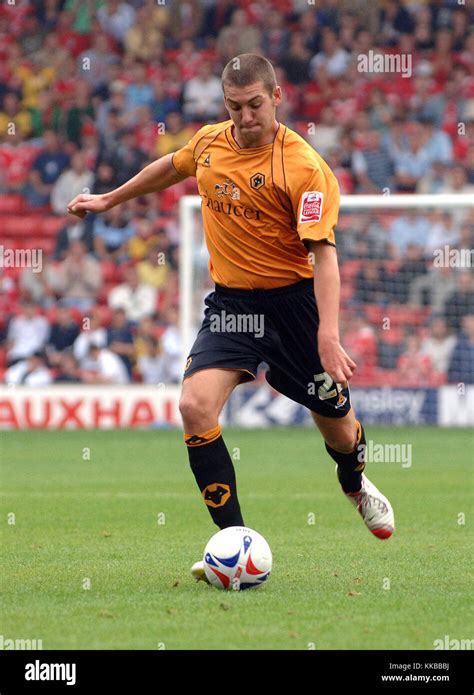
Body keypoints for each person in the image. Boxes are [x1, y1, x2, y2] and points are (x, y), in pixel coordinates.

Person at [67, 54, 395, 584]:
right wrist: (110, 198)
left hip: (294, 308)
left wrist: (328, 334)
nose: (245, 117)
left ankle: (354, 483)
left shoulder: (305, 168)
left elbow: (325, 256)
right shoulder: (210, 143)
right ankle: (233, 544)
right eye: (235, 107)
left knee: (338, 426)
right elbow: (170, 166)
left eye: (255, 105)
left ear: (277, 97)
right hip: (233, 307)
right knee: (194, 406)